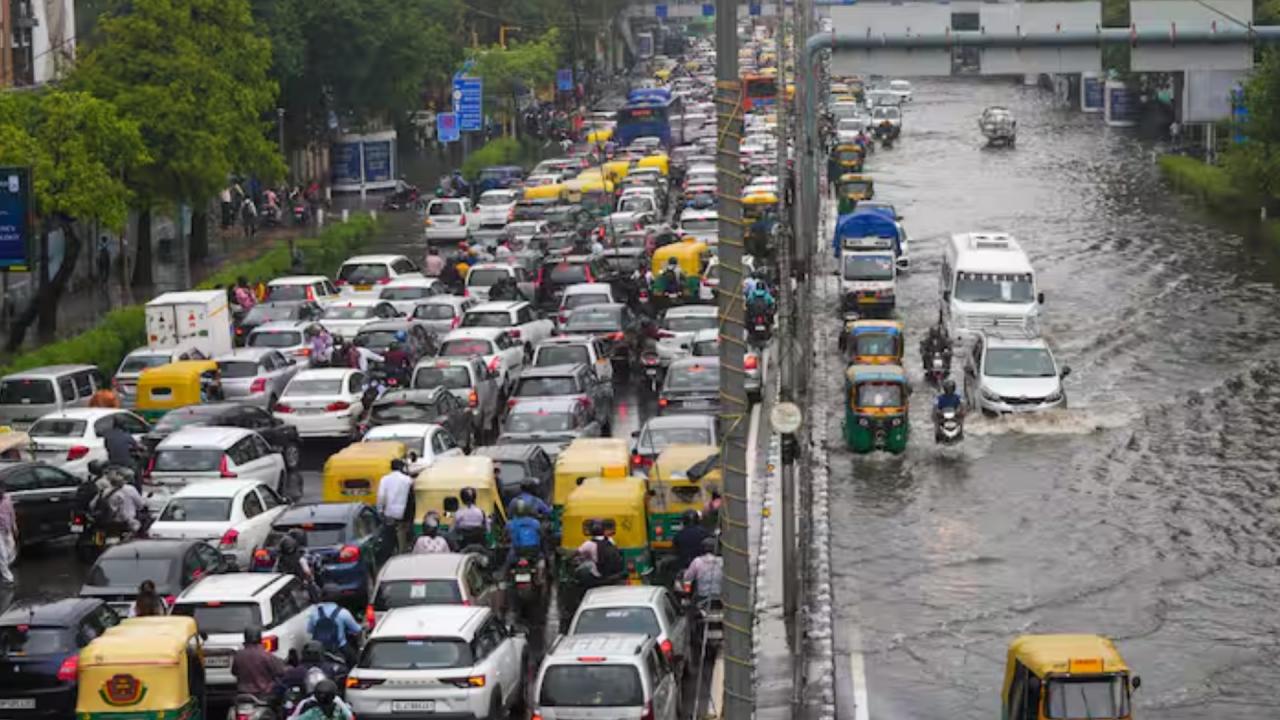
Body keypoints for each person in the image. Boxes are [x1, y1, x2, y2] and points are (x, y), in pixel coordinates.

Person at [231, 626, 286, 700]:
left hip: (242, 693)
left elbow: (234, 672)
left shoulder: (238, 655)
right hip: (263, 693)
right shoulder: (266, 655)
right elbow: (280, 672)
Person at [306, 601, 363, 666]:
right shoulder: (343, 612)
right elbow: (357, 629)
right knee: (355, 663)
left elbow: (310, 630)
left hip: (320, 649)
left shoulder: (314, 613)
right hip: (340, 647)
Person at [375, 459, 414, 551]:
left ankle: (391, 550)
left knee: (390, 533)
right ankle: (402, 550)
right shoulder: (407, 480)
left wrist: (380, 510)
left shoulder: (384, 479)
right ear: (401, 467)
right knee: (402, 533)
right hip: (404, 514)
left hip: (389, 513)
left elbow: (381, 496)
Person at [578, 519, 626, 584]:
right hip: (613, 573)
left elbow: (577, 553)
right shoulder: (610, 540)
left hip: (599, 574)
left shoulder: (588, 544)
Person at [102, 468, 146, 533]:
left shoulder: (106, 491)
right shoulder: (130, 489)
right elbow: (140, 505)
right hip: (127, 522)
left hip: (109, 521)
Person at [505, 498, 544, 570]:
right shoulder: (535, 522)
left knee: (509, 558)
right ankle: (541, 576)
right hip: (534, 550)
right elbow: (541, 534)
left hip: (518, 550)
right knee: (542, 558)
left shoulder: (510, 523)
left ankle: (503, 574)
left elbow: (506, 536)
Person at [0, 484, 15, 585]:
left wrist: (14, 524)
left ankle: (3, 567)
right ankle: (8, 578)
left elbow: (11, 512)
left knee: (11, 551)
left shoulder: (7, 498)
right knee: (2, 555)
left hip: (7, 529)